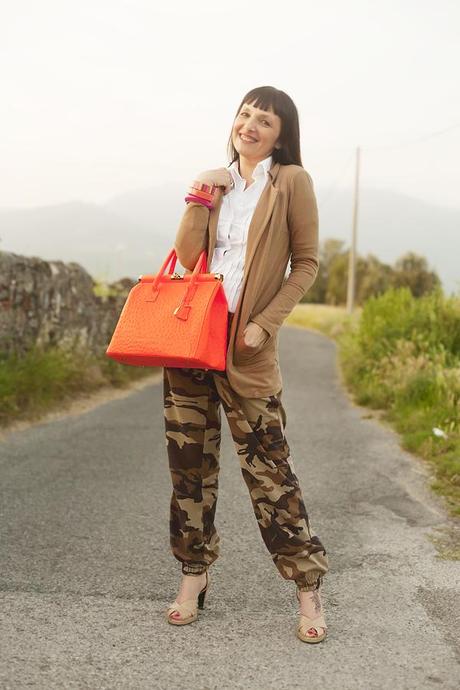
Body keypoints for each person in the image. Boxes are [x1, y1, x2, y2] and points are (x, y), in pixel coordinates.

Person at [163, 86, 329, 643]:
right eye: (245, 115)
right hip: (192, 345)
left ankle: (307, 589)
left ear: (282, 134)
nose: (250, 126)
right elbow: (187, 257)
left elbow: (305, 264)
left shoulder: (291, 183)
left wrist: (265, 323)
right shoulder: (215, 181)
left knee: (270, 473)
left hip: (249, 351)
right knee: (190, 468)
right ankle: (194, 574)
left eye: (265, 120)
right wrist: (200, 195)